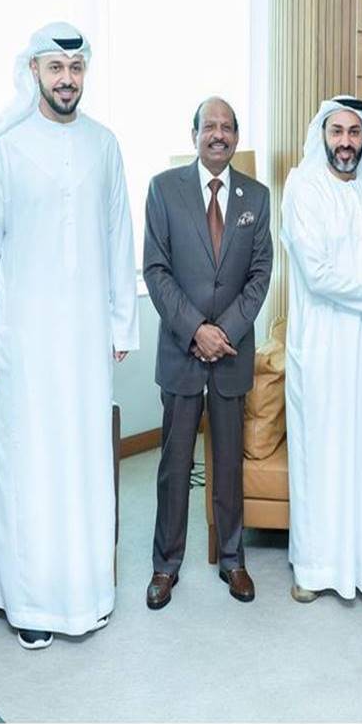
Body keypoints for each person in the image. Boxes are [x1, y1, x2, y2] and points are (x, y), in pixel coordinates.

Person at [0, 22, 139, 650]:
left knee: (86, 461)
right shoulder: (4, 148)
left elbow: (120, 237)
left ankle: (88, 594)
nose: (67, 79)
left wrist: (122, 323)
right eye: (56, 68)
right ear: (34, 71)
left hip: (87, 337)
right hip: (24, 343)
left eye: (76, 68)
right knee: (33, 466)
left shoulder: (104, 145)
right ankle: (31, 602)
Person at [280, 95, 362, 605]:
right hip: (322, 347)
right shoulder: (303, 187)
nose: (346, 142)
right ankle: (313, 569)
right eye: (337, 131)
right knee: (321, 455)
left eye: (355, 133)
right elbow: (317, 274)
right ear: (323, 135)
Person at [142, 97, 272, 608]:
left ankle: (233, 559)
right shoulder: (164, 189)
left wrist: (226, 331)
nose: (218, 134)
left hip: (232, 353)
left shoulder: (256, 197)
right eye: (209, 126)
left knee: (228, 465)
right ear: (194, 134)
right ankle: (165, 565)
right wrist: (197, 329)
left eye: (227, 127)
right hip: (181, 350)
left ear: (236, 136)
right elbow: (156, 270)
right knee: (174, 464)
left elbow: (260, 274)